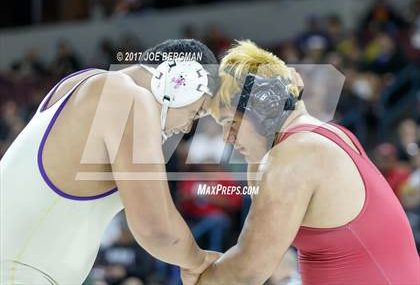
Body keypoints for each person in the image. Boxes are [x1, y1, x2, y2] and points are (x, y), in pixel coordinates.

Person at [182, 40, 419, 284]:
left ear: (264, 108)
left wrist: (201, 278)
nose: (227, 138)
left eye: (230, 123)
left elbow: (249, 270)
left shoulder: (296, 154)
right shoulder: (322, 135)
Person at [0, 39, 221, 284]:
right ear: (182, 82)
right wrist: (199, 262)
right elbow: (157, 229)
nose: (188, 126)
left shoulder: (86, 84)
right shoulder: (127, 97)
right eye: (196, 112)